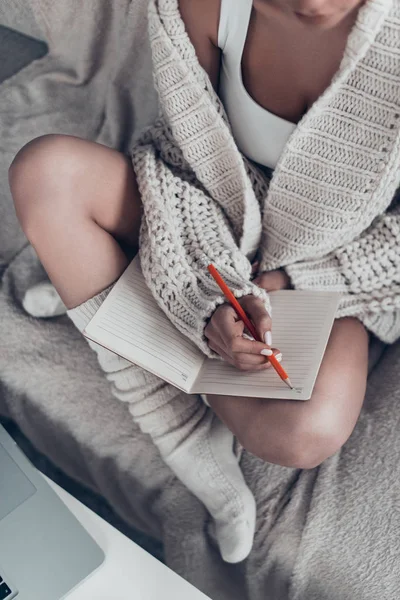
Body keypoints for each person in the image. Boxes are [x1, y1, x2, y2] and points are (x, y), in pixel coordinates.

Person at [7, 0, 400, 564]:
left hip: (336, 262)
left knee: (304, 430)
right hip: (208, 216)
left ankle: (111, 302)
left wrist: (294, 278)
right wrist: (205, 295)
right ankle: (184, 435)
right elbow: (187, 159)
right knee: (46, 175)